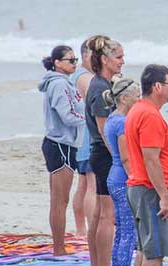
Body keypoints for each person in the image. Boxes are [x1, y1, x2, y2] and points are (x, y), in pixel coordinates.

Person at [125, 64, 168, 266]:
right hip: (149, 189)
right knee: (154, 252)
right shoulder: (149, 115)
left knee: (144, 250)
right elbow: (151, 159)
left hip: (140, 186)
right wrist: (164, 197)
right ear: (158, 86)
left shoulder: (139, 110)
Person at [37, 45, 86, 256]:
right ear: (57, 62)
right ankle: (59, 249)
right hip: (60, 144)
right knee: (60, 201)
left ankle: (60, 246)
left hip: (63, 144)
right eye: (70, 60)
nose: (75, 63)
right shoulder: (58, 84)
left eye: (76, 60)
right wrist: (89, 120)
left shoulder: (64, 83)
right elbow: (67, 116)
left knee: (59, 200)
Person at [85, 35, 124, 266]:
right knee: (106, 216)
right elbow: (103, 129)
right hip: (104, 154)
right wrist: (120, 158)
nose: (122, 62)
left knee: (100, 214)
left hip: (100, 153)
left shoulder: (103, 84)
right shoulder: (100, 88)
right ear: (105, 59)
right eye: (118, 57)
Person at [103, 77, 141, 266]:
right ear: (124, 98)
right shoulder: (122, 122)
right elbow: (126, 157)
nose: (138, 100)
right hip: (123, 178)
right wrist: (135, 180)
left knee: (121, 231)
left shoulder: (111, 119)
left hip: (114, 176)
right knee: (129, 231)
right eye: (136, 97)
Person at [71, 38, 97, 240]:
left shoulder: (79, 75)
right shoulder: (85, 77)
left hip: (80, 137)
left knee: (83, 183)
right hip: (87, 136)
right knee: (91, 184)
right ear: (86, 55)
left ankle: (81, 229)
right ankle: (88, 229)